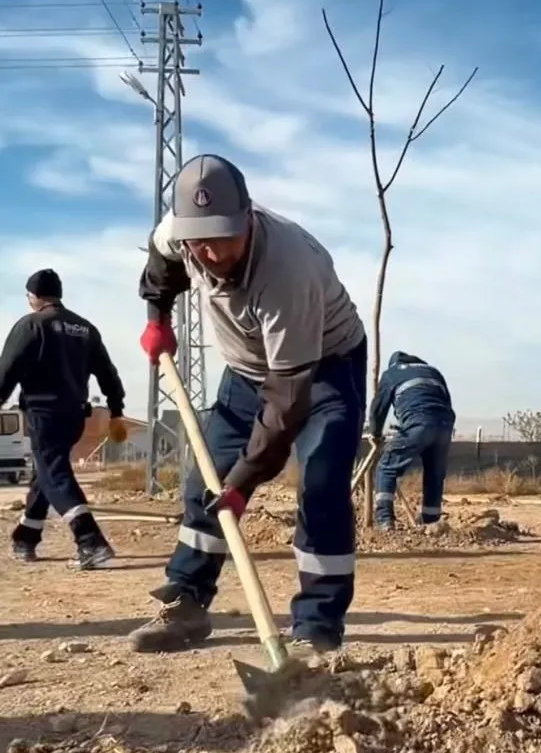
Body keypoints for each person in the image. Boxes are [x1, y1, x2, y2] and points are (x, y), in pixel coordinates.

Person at [129, 153, 366, 655]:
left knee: (321, 482)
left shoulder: (287, 271)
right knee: (204, 479)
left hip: (321, 368)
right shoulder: (180, 233)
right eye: (200, 242)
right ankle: (187, 602)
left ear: (248, 217)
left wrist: (245, 481)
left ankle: (317, 629)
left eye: (223, 239)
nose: (211, 254)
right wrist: (158, 318)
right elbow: (161, 261)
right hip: (246, 370)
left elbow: (287, 398)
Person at [0, 268, 127, 569]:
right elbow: (108, 373)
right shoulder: (85, 329)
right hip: (74, 417)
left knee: (54, 474)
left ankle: (90, 541)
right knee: (47, 472)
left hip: (43, 414)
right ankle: (25, 538)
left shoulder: (31, 325)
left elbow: (7, 370)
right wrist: (117, 410)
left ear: (33, 297)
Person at [368, 351, 455, 530]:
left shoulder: (392, 373)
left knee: (387, 467)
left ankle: (384, 520)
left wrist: (375, 433)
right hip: (445, 424)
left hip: (419, 422)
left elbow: (378, 408)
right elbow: (447, 401)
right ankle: (432, 523)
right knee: (434, 473)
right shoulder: (434, 371)